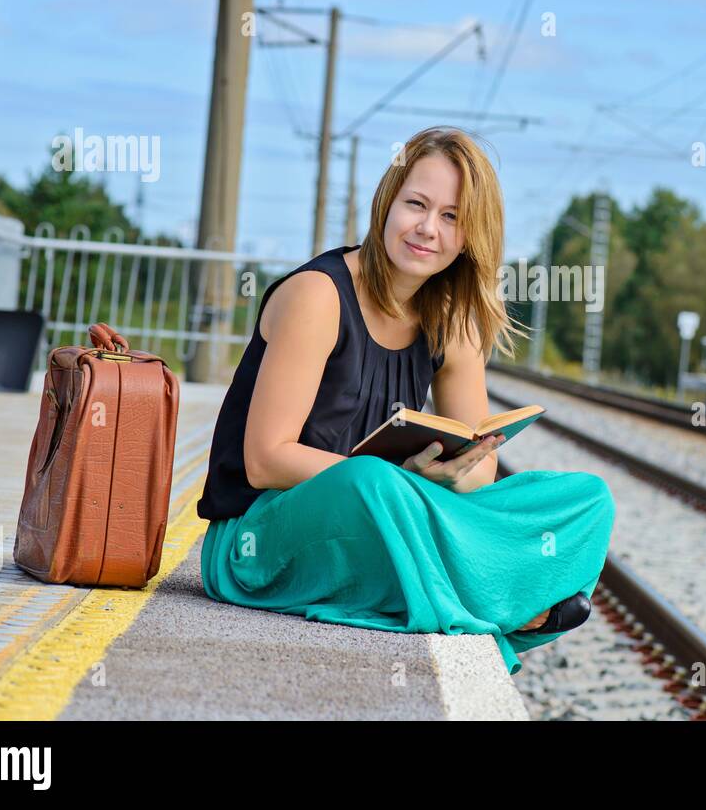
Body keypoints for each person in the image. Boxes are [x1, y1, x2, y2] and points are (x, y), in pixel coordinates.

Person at [195, 126, 615, 674]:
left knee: (584, 497)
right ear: (386, 203)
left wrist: (448, 474)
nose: (427, 228)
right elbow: (265, 458)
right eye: (416, 204)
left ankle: (464, 591)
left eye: (451, 217)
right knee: (370, 480)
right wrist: (402, 482)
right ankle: (494, 603)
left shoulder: (452, 319)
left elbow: (482, 467)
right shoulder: (318, 296)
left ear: (470, 236)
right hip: (257, 543)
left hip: (386, 517)